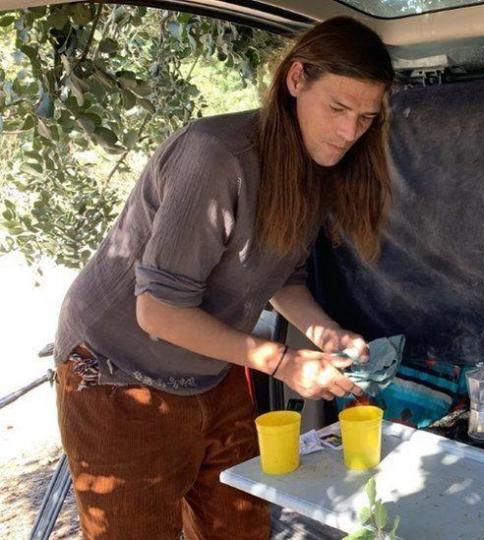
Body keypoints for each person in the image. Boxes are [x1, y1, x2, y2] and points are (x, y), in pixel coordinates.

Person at [52, 16, 394, 539]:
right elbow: (157, 310)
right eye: (338, 108)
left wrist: (327, 334)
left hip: (210, 367)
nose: (350, 133)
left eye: (366, 117)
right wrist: (281, 362)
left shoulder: (315, 162)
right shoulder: (215, 156)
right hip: (115, 372)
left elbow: (284, 275)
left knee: (242, 526)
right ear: (296, 80)